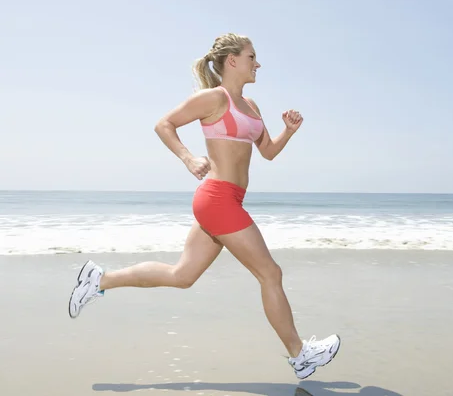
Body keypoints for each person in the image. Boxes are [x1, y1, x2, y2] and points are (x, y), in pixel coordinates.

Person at [67, 33, 341, 380]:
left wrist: (288, 131)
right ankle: (300, 354)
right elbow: (163, 124)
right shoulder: (213, 98)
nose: (258, 64)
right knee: (270, 273)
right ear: (232, 61)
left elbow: (267, 151)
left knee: (182, 276)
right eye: (252, 56)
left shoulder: (252, 106)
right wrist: (187, 157)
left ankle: (99, 279)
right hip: (218, 198)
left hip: (227, 201)